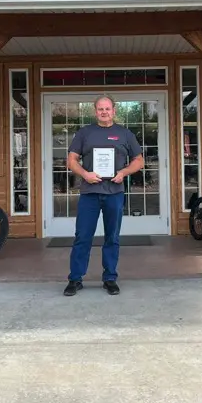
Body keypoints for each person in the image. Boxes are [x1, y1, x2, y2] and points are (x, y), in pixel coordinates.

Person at [63, 95, 144, 296]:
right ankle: (75, 279)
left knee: (112, 237)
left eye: (107, 108)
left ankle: (110, 278)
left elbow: (139, 160)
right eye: (100, 109)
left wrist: (123, 173)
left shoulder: (125, 134)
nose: (104, 112)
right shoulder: (85, 133)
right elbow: (71, 160)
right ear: (95, 111)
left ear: (114, 111)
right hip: (89, 193)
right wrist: (85, 174)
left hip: (114, 193)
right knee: (82, 236)